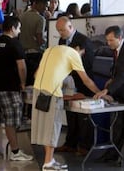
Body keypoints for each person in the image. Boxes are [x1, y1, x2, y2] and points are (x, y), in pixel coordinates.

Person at [31, 42, 104, 170]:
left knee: (44, 126)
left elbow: (36, 74)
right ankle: (48, 164)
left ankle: (50, 160)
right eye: (82, 54)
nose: (81, 56)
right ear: (79, 49)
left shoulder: (50, 50)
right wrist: (100, 93)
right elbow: (86, 80)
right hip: (52, 92)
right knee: (52, 126)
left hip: (37, 91)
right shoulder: (74, 54)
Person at [94, 25, 124, 167]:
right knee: (118, 125)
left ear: (120, 38)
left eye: (111, 40)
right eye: (107, 40)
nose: (108, 43)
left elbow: (123, 75)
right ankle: (113, 153)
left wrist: (107, 91)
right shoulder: (117, 49)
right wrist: (111, 79)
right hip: (121, 93)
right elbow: (117, 70)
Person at [0, 16, 34, 161]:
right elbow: (21, 66)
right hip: (9, 87)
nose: (19, 31)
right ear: (13, 28)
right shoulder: (14, 44)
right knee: (11, 120)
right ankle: (15, 152)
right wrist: (23, 82)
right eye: (18, 28)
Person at [55, 16, 95, 156]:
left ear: (70, 27)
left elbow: (88, 64)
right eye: (59, 31)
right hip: (69, 82)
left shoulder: (83, 41)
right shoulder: (62, 40)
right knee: (71, 113)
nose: (61, 33)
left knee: (83, 116)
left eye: (63, 30)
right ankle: (70, 143)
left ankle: (84, 146)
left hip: (83, 81)